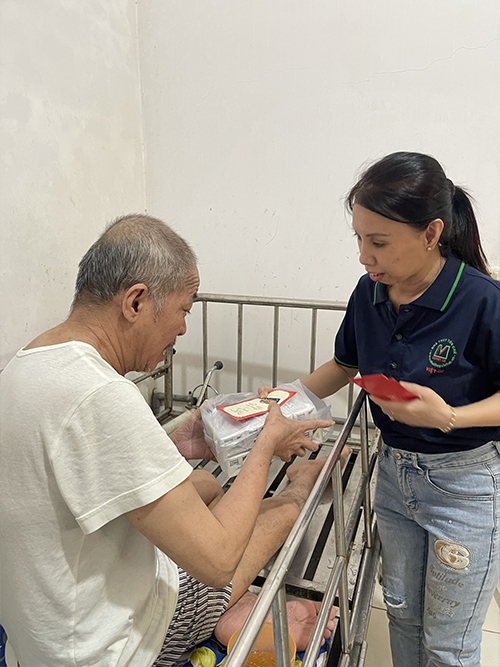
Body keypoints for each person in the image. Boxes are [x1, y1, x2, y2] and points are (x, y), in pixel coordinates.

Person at [0, 214, 344, 667]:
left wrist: (174, 444)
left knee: (206, 485)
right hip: (112, 649)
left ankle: (233, 598)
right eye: (184, 310)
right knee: (276, 516)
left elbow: (86, 460)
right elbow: (218, 562)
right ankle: (302, 485)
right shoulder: (103, 396)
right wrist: (265, 447)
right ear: (136, 302)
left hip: (46, 630)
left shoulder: (27, 363)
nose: (182, 329)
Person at [275, 152, 500, 667]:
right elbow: (342, 364)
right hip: (396, 478)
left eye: (378, 243)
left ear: (431, 233)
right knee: (401, 613)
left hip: (465, 486)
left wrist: (449, 417)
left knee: (448, 644)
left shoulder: (483, 301)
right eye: (358, 239)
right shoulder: (370, 292)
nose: (363, 257)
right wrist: (281, 404)